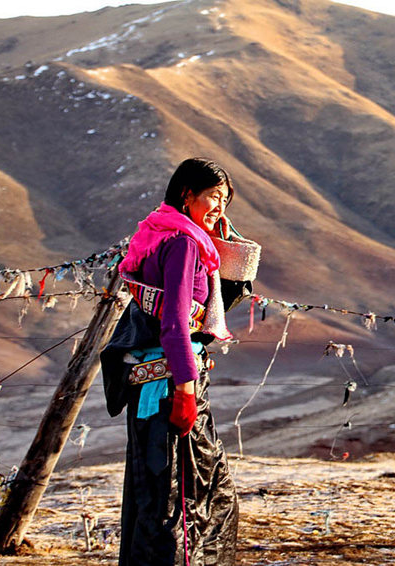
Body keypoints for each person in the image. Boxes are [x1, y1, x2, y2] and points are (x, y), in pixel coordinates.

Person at [101, 158, 241, 566]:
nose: (220, 209)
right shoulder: (182, 244)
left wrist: (215, 228)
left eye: (225, 201)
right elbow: (176, 324)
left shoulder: (159, 233)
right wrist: (185, 392)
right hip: (169, 388)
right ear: (187, 193)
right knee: (182, 500)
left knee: (156, 494)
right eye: (214, 197)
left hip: (152, 385)